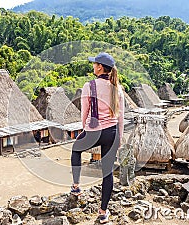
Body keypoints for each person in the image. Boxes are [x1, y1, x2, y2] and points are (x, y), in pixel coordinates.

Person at [70, 52, 124, 224]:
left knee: (76, 150)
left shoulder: (89, 86)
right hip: (112, 132)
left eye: (94, 64)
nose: (93, 66)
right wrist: (120, 137)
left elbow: (84, 112)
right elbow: (120, 116)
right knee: (107, 173)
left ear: (100, 67)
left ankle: (76, 187)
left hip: (93, 131)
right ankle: (103, 212)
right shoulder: (117, 88)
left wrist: (84, 130)